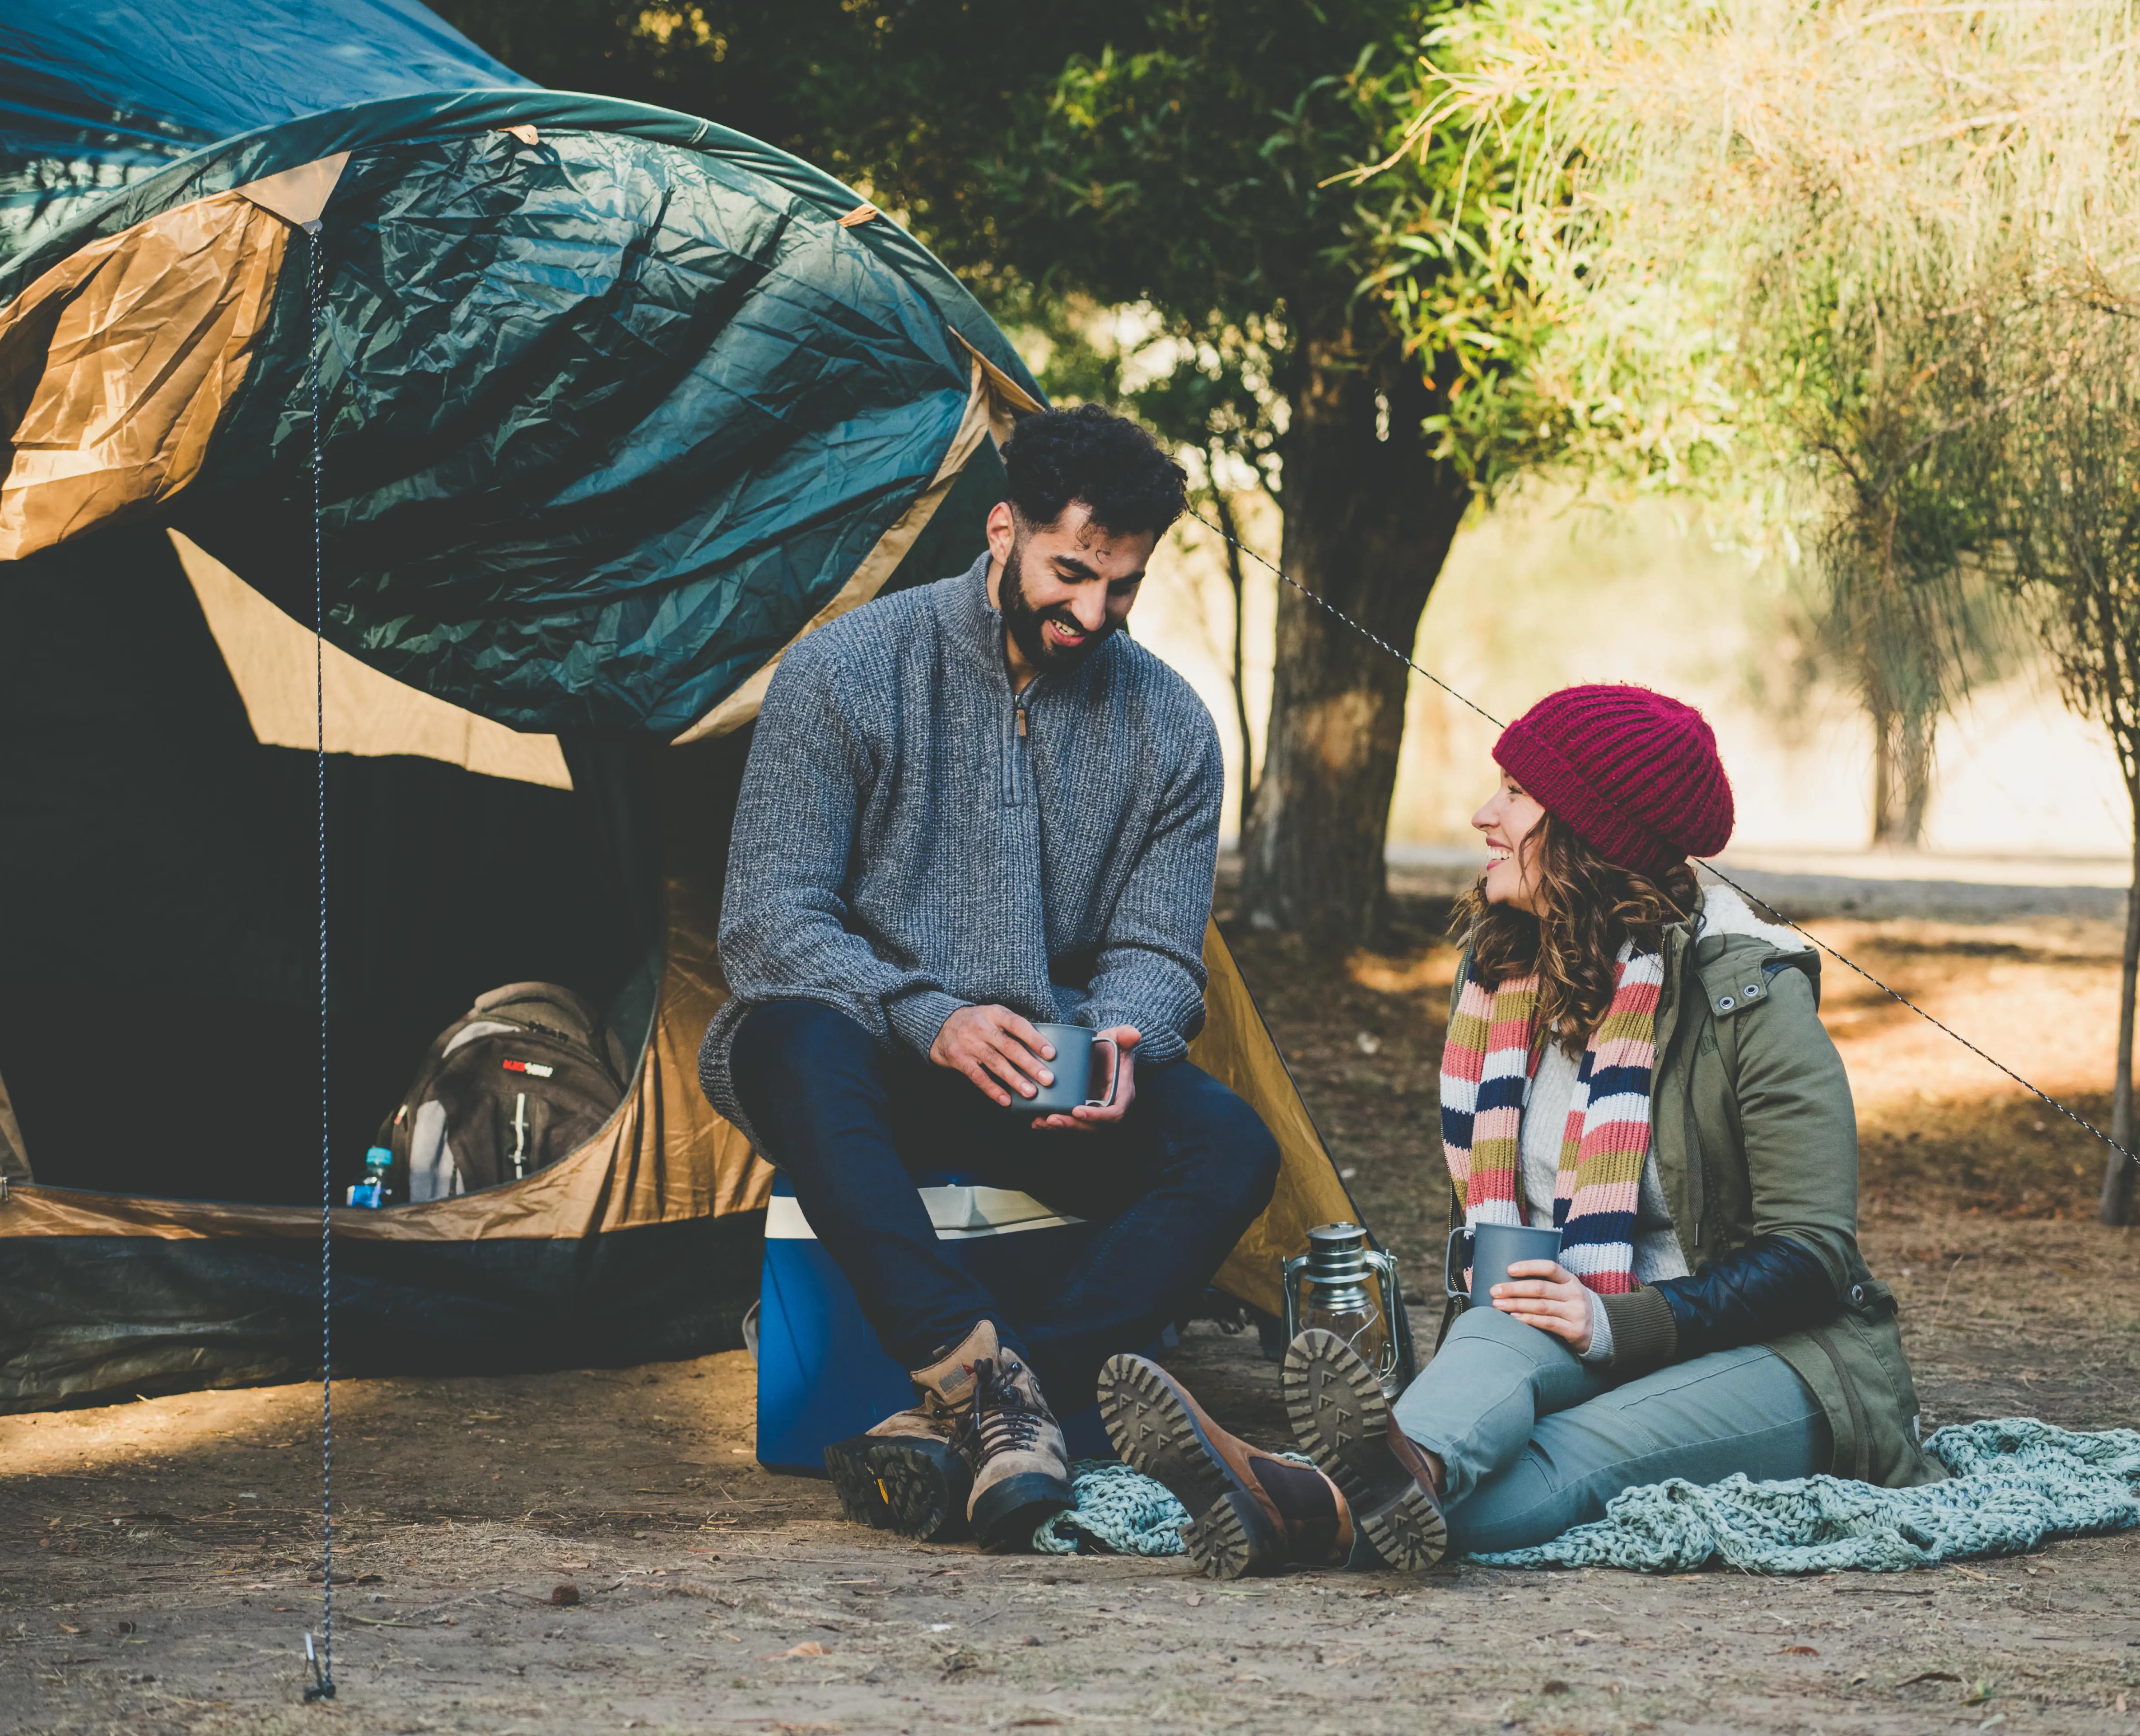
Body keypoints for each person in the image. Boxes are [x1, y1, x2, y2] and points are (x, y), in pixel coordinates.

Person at [1098, 683, 1943, 1577]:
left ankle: (1293, 1499)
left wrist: (1621, 1320)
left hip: (1777, 1358)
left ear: (1589, 829)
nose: (1481, 815)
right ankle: (1363, 1486)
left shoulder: (1749, 1001)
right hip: (1564, 1320)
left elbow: (1812, 1254)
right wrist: (1571, 1316)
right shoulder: (1503, 982)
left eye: (1514, 793)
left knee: (1579, 1447)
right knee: (1494, 1338)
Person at [700, 404, 1280, 1553]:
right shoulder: (845, 671)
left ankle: (980, 1412)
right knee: (788, 1039)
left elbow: (1158, 954)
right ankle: (982, 1376)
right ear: (1002, 528)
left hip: (1044, 1072)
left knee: (1229, 1145)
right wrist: (928, 1016)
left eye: (1120, 586)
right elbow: (768, 923)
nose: (1091, 612)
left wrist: (1120, 1038)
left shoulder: (1169, 725)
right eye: (1070, 571)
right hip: (870, 1056)